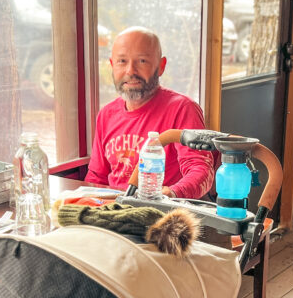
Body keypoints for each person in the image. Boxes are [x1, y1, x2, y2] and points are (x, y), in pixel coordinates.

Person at [85, 27, 214, 199]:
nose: (130, 71)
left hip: (162, 212)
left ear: (161, 66)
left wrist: (173, 193)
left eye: (142, 61)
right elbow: (96, 176)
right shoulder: (106, 114)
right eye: (122, 61)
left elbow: (200, 170)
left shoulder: (183, 109)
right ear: (112, 65)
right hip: (113, 210)